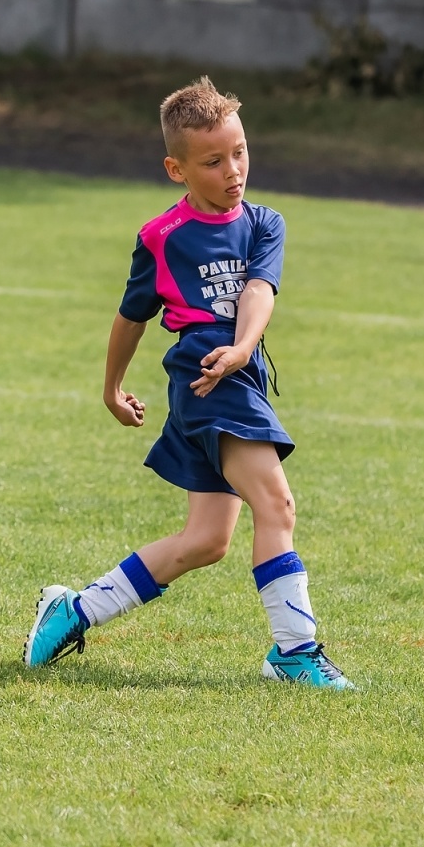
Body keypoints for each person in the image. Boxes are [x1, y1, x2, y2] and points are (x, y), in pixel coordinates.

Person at [23, 77, 354, 691]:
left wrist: (245, 348)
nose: (234, 171)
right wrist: (111, 388)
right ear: (176, 169)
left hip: (236, 375)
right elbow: (132, 315)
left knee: (205, 540)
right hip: (205, 380)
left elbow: (260, 290)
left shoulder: (263, 223)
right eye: (213, 161)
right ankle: (295, 651)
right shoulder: (161, 237)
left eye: (240, 152)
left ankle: (75, 610)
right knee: (277, 505)